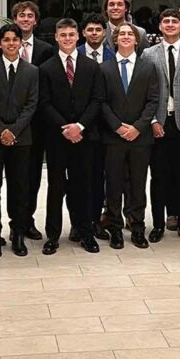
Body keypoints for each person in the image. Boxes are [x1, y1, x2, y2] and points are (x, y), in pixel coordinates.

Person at [40, 18, 103, 254]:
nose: (67, 38)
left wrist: (80, 126)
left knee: (83, 186)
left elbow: (97, 100)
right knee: (55, 187)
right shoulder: (46, 68)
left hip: (85, 137)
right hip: (57, 138)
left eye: (71, 34)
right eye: (62, 35)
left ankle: (85, 232)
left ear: (78, 37)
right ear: (56, 37)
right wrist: (65, 128)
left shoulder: (91, 66)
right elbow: (44, 103)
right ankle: (53, 235)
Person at [0, 24, 39, 258]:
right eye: (7, 40)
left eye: (15, 39)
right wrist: (1, 130)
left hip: (21, 139)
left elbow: (31, 105)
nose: (11, 43)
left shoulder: (32, 71)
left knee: (20, 188)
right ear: (0, 43)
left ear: (21, 43)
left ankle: (18, 233)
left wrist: (13, 131)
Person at [142, 9, 180, 243]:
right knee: (158, 177)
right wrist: (153, 121)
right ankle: (157, 225)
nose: (171, 24)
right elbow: (145, 91)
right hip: (158, 122)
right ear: (160, 25)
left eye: (175, 21)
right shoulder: (148, 54)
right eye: (166, 21)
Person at [100, 23, 159, 249]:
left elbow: (153, 100)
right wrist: (117, 126)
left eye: (130, 34)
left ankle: (137, 228)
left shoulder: (148, 67)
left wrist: (137, 127)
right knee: (113, 184)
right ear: (115, 39)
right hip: (113, 137)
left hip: (140, 137)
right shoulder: (105, 68)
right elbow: (101, 102)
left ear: (137, 40)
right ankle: (115, 228)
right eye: (121, 34)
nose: (125, 37)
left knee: (137, 184)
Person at [11, 1, 54, 241]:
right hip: (10, 123)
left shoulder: (45, 49)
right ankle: (15, 221)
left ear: (35, 21)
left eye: (30, 16)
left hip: (36, 125)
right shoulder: (4, 46)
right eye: (21, 15)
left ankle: (28, 220)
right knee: (15, 176)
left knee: (33, 176)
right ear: (15, 19)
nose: (25, 19)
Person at [77, 13, 113, 240]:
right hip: (81, 127)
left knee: (101, 177)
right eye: (90, 30)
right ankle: (78, 221)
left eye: (98, 30)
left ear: (104, 32)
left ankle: (97, 219)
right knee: (80, 177)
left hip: (106, 127)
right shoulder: (75, 54)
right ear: (83, 33)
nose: (94, 33)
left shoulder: (113, 55)